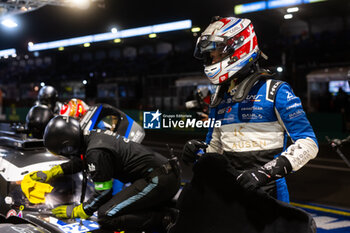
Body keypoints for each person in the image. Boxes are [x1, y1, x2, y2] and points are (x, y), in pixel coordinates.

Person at [182, 16, 319, 202]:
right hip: (231, 191)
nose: (212, 59)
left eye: (217, 54)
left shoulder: (275, 90)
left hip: (270, 194)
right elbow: (215, 148)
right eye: (210, 55)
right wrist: (198, 153)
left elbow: (308, 143)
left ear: (240, 46)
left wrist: (264, 173)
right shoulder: (219, 96)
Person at [30, 115, 180, 232]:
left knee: (105, 215)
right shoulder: (91, 137)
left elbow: (104, 192)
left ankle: (164, 218)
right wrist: (52, 172)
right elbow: (80, 161)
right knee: (116, 207)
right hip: (162, 175)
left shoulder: (96, 152)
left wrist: (79, 210)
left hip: (159, 179)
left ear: (67, 146)